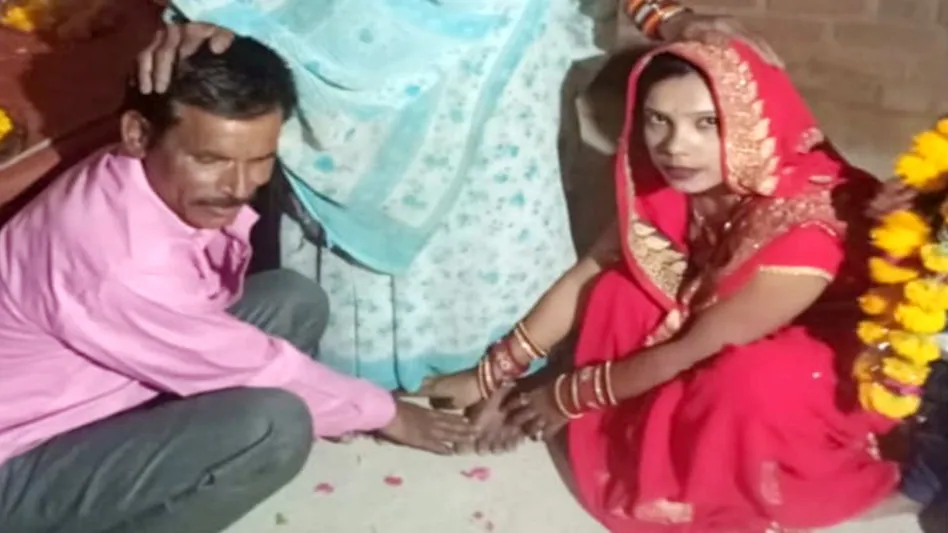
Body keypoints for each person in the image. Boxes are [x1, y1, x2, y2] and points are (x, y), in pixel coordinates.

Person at [135, 1, 782, 400]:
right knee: (352, 166)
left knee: (497, 200)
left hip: (507, 41)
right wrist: (216, 10)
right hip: (354, 30)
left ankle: (499, 362)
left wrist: (669, 17)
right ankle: (357, 377)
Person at [0, 36, 474, 533]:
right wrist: (386, 414)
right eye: (211, 160)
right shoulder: (121, 261)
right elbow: (250, 363)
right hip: (18, 454)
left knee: (295, 301)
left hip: (84, 396)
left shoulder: (132, 173)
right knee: (272, 427)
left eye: (258, 159)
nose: (239, 186)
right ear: (138, 133)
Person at [433, 37, 904, 531]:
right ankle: (637, 425)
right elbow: (588, 271)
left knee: (743, 381)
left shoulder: (807, 227)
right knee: (620, 292)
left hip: (831, 349)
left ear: (751, 121)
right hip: (716, 316)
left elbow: (691, 349)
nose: (676, 146)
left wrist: (562, 396)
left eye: (707, 123)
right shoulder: (678, 179)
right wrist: (491, 374)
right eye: (658, 119)